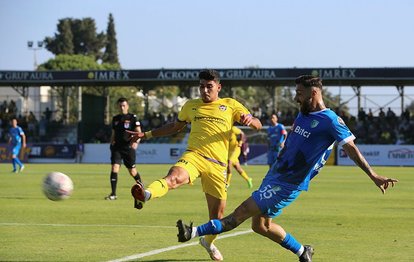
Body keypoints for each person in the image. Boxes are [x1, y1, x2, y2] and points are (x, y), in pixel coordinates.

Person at [176, 75, 399, 262]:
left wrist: (373, 175)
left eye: (299, 93)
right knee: (261, 226)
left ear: (314, 93)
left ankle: (192, 232)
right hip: (275, 175)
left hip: (288, 183)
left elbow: (350, 148)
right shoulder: (303, 113)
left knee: (241, 213)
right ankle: (303, 251)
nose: (295, 97)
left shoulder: (330, 120)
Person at [129, 69, 262, 261]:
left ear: (218, 87)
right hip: (195, 156)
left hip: (217, 166)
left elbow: (257, 123)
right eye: (201, 86)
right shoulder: (191, 106)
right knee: (173, 177)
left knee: (217, 218)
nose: (205, 90)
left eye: (209, 86)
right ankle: (146, 194)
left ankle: (208, 242)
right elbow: (175, 126)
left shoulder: (230, 105)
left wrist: (252, 121)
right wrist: (147, 134)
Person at [105, 97, 142, 200]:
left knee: (132, 171)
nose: (122, 107)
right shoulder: (115, 119)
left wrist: (136, 142)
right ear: (118, 106)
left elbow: (139, 132)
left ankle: (142, 188)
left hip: (128, 148)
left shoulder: (132, 117)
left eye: (124, 105)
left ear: (127, 106)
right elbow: (114, 133)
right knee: (114, 168)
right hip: (117, 147)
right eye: (120, 105)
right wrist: (111, 142)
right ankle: (113, 194)